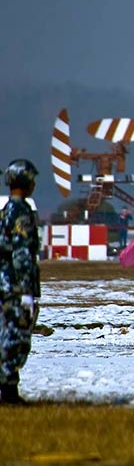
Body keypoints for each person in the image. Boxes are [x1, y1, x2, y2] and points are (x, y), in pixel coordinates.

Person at [0, 159, 41, 404]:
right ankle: (8, 391)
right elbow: (22, 253)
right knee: (15, 337)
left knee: (4, 333)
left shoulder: (5, 211)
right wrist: (26, 290)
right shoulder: (22, 212)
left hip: (4, 283)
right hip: (15, 286)